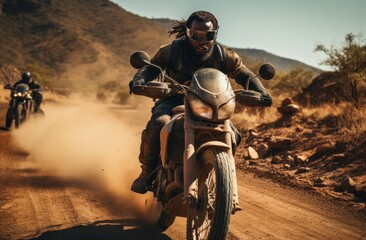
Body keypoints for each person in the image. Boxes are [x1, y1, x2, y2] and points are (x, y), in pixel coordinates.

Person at [129, 11, 272, 194]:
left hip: (210, 103)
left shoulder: (224, 55)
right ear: (188, 32)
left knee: (233, 135)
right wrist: (139, 81)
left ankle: (221, 176)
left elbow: (244, 74)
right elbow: (151, 67)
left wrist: (261, 92)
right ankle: (147, 172)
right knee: (159, 123)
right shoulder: (172, 50)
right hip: (174, 98)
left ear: (215, 34)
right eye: (196, 36)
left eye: (208, 36)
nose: (202, 41)